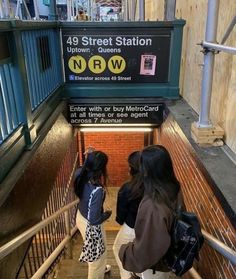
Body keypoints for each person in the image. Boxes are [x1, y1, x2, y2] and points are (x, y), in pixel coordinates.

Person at [119, 145, 184, 279]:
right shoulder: (173, 187)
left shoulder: (153, 205)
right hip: (168, 258)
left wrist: (124, 251)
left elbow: (146, 252)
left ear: (147, 171)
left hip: (155, 267)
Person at [74, 149, 112, 279]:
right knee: (96, 261)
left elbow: (85, 166)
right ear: (101, 168)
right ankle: (97, 272)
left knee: (103, 246)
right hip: (91, 224)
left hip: (81, 215)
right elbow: (95, 220)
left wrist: (89, 156)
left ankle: (102, 268)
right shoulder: (96, 190)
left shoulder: (80, 173)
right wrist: (107, 214)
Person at [113, 151, 144, 279]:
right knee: (143, 256)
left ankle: (128, 276)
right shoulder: (154, 186)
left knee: (118, 249)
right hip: (150, 230)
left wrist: (119, 220)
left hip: (131, 228)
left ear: (132, 169)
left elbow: (121, 215)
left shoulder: (127, 188)